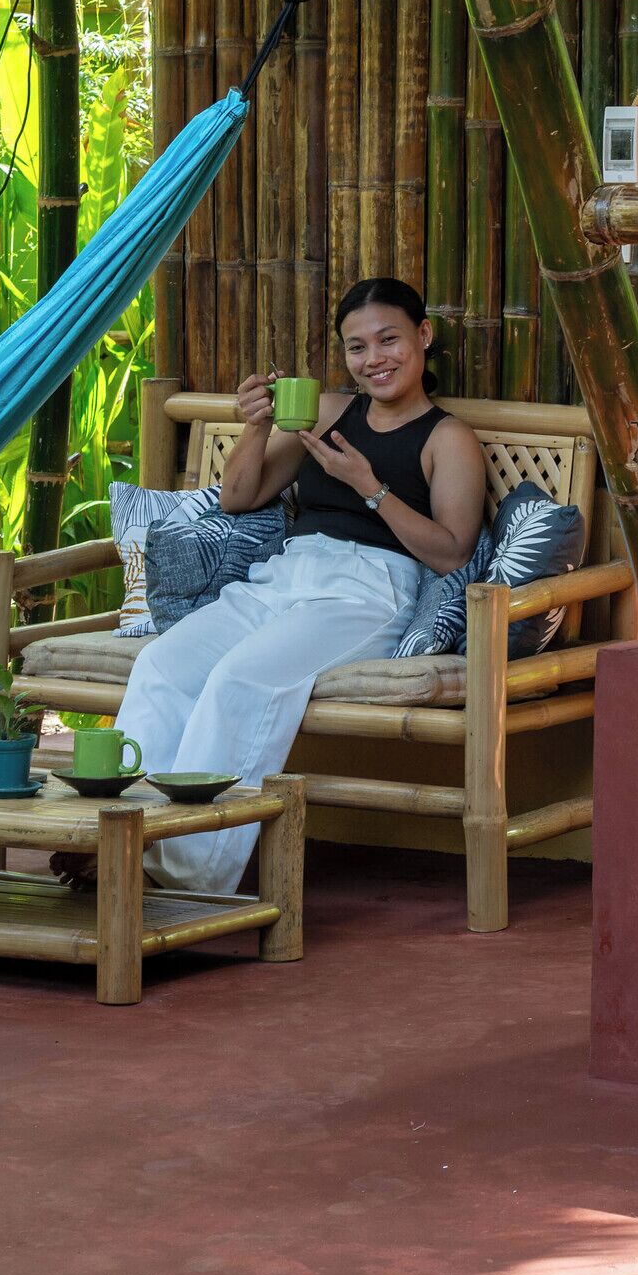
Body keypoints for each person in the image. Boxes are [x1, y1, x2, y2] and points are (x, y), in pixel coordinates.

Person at [113, 276, 487, 892]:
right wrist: (256, 427)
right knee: (162, 665)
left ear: (423, 336)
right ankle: (119, 835)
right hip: (284, 576)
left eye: (389, 339)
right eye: (357, 347)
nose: (375, 360)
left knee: (242, 681)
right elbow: (239, 497)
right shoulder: (329, 413)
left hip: (369, 590)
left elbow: (451, 554)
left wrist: (371, 488)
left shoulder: (448, 439)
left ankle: (181, 875)